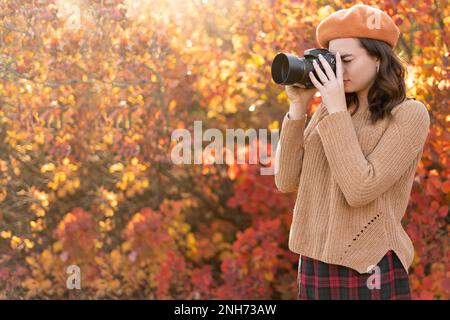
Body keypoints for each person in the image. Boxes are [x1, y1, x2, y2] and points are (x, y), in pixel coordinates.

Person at [274, 4, 430, 300]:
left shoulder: (409, 114)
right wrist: (297, 109)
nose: (336, 70)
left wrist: (334, 108)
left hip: (369, 263)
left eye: (346, 60)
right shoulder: (331, 111)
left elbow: (360, 188)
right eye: (332, 61)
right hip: (315, 260)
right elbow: (285, 180)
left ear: (377, 59)